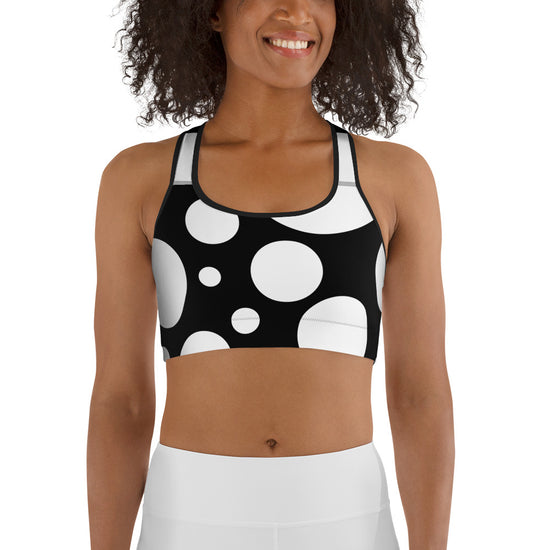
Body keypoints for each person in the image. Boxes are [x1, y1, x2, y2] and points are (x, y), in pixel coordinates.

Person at [87, 1, 454, 549]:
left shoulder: (394, 179)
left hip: (345, 519)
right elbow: (122, 401)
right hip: (190, 517)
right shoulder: (141, 180)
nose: (297, 12)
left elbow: (419, 395)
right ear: (211, 11)